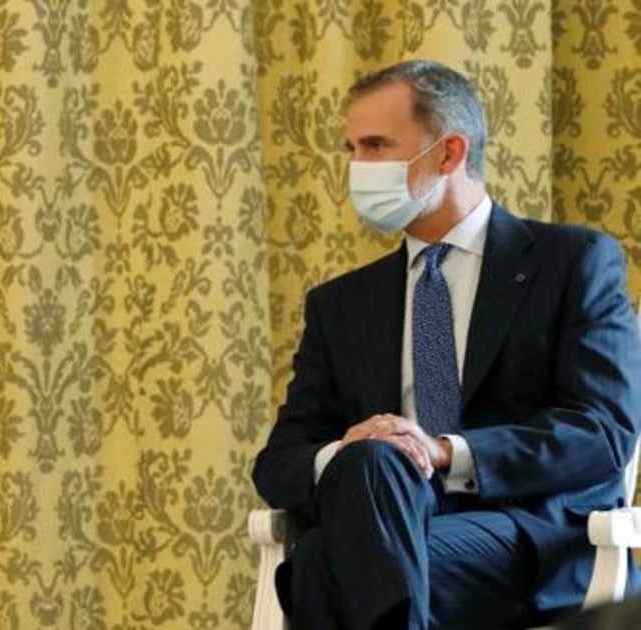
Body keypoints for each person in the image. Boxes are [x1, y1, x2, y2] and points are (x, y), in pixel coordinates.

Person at [251, 60, 641, 629]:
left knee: (322, 565)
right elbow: (278, 463)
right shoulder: (341, 305)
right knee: (373, 462)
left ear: (450, 153)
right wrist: (356, 449)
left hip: (525, 534)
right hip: (387, 518)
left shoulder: (572, 263)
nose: (357, 167)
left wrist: (440, 451)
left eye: (376, 146)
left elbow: (601, 433)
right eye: (351, 149)